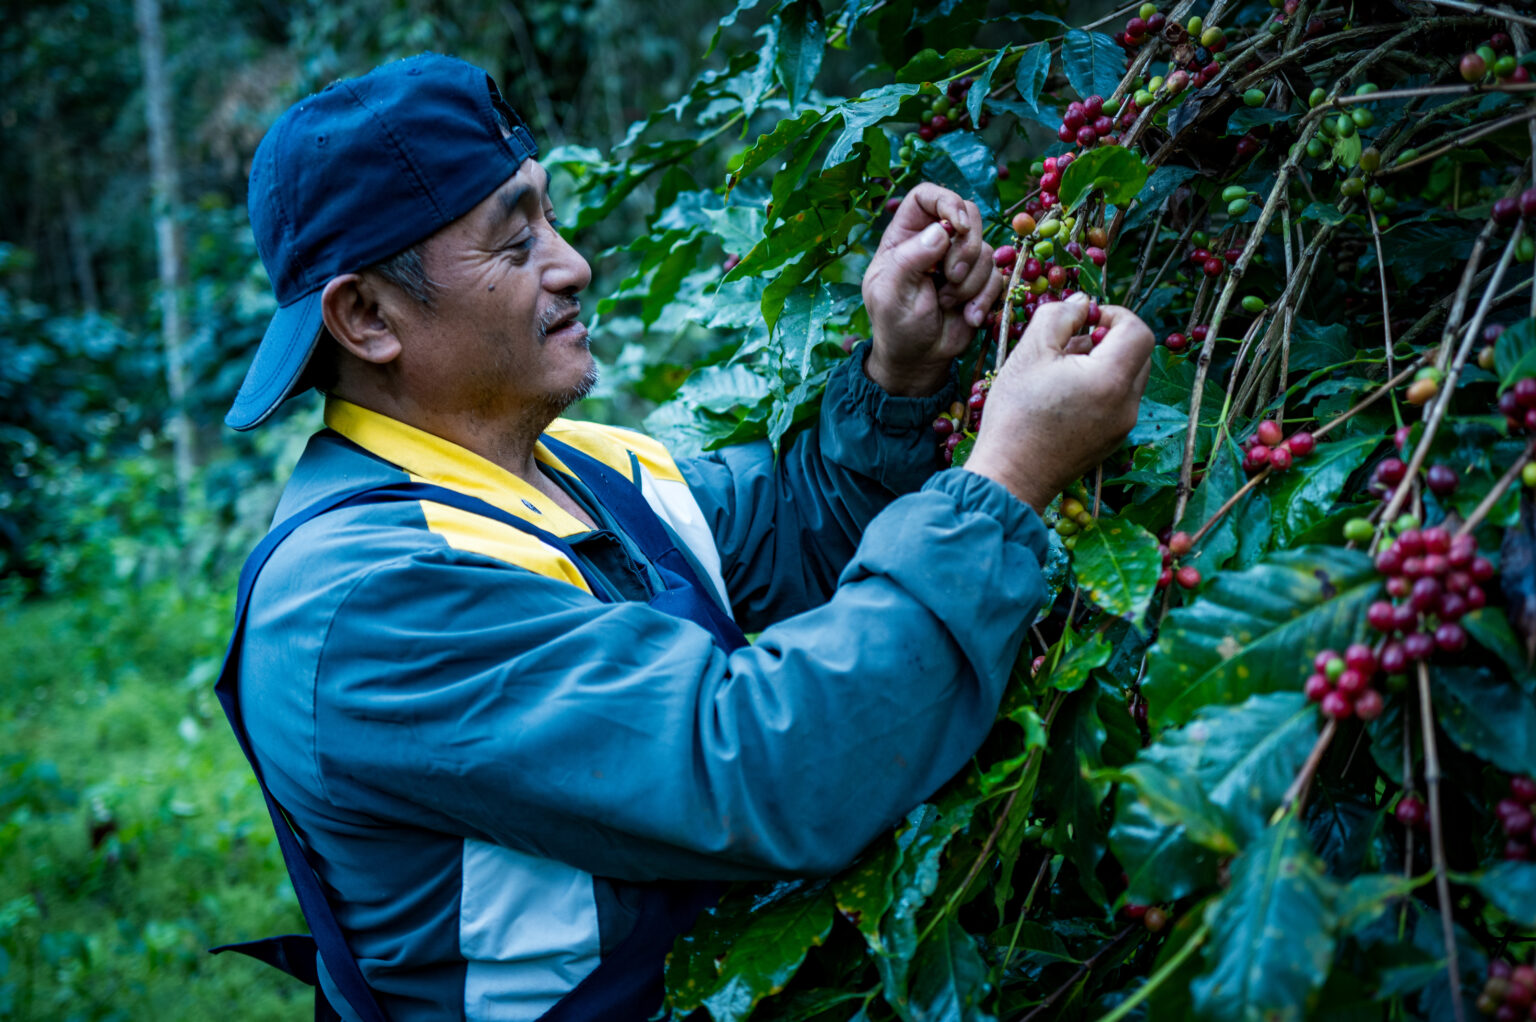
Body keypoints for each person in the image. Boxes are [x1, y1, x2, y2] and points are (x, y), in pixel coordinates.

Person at [213, 52, 1153, 1022]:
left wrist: (900, 377)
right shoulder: (363, 601)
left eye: (547, 215)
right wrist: (1005, 480)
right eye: (512, 242)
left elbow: (793, 533)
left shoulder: (578, 465)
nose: (572, 262)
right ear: (367, 316)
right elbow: (760, 763)